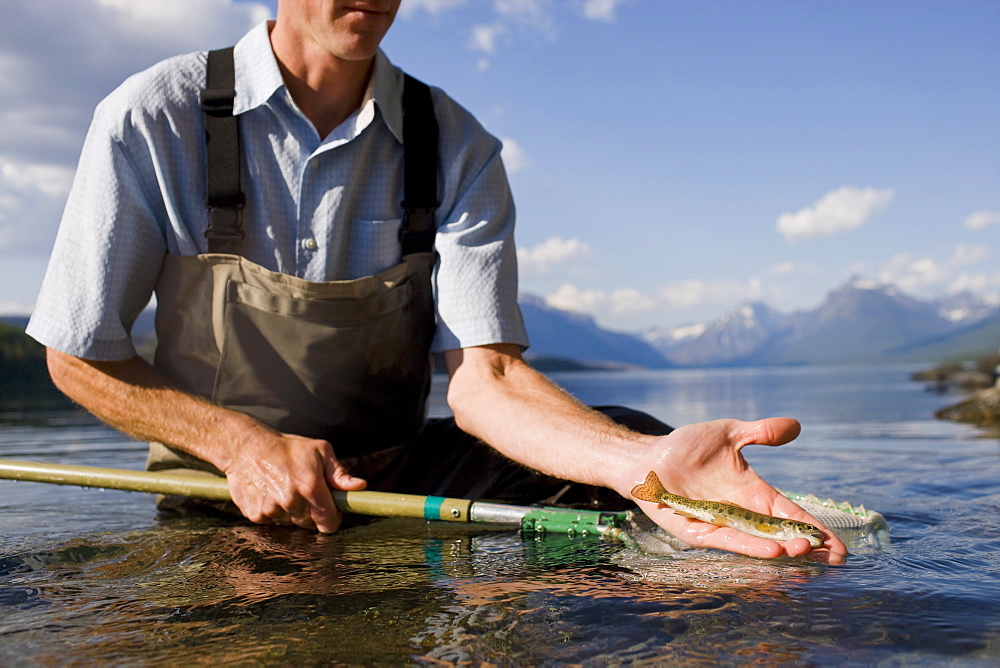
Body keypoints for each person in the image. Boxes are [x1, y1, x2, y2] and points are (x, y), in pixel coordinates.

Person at [27, 0, 846, 561]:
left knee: (620, 438)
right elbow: (78, 354)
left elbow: (485, 382)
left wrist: (644, 463)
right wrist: (239, 445)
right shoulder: (150, 118)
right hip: (214, 485)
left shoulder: (458, 144)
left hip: (395, 472)